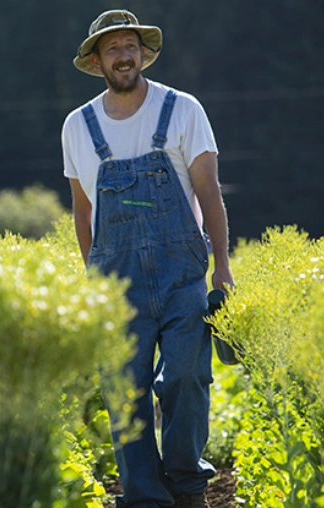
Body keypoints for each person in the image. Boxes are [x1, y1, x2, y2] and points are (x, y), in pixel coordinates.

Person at [61, 10, 234, 508]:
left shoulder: (182, 110)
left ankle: (185, 483)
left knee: (187, 376)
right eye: (112, 48)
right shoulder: (79, 126)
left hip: (182, 276)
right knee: (125, 394)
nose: (123, 54)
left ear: (144, 53)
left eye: (130, 45)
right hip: (116, 284)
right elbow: (82, 210)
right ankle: (144, 497)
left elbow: (210, 192)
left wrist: (222, 268)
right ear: (96, 60)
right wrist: (91, 276)